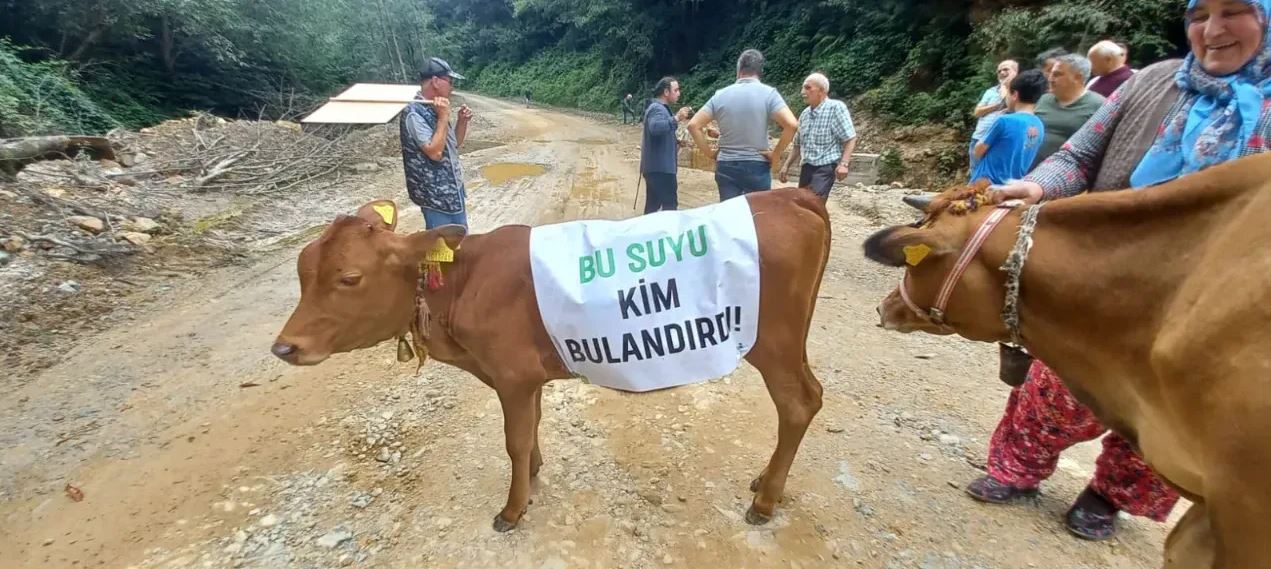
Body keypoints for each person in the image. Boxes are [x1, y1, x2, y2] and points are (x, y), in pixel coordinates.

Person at [981, 0, 1271, 541]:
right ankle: (1015, 469)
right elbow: (1079, 156)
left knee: (1171, 410)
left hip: (1215, 302)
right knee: (1058, 384)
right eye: (1199, 14)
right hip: (1109, 278)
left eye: (1234, 11)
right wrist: (1038, 186)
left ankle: (1109, 496)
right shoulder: (1155, 82)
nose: (1212, 30)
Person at [687, 49, 799, 201]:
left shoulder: (721, 95)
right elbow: (791, 124)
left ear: (738, 70)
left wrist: (710, 154)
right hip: (756, 165)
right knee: (757, 217)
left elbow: (693, 125)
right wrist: (775, 155)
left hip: (726, 165)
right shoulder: (769, 94)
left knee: (730, 217)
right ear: (760, 71)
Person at [400, 57, 472, 229]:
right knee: (443, 251)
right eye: (450, 81)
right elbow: (435, 153)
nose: (452, 87)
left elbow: (453, 145)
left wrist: (462, 122)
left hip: (452, 189)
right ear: (435, 81)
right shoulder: (414, 113)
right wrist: (443, 116)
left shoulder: (434, 107)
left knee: (460, 243)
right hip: (435, 197)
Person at [779, 72, 858, 200]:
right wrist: (786, 166)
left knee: (813, 202)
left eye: (807, 87)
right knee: (803, 205)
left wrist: (844, 164)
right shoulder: (805, 115)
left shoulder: (835, 108)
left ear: (821, 91)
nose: (802, 92)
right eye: (803, 88)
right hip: (807, 167)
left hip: (825, 167)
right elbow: (797, 145)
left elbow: (850, 138)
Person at [968, 69, 1047, 185]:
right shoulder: (1039, 124)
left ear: (1015, 95)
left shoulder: (1004, 120)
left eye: (1007, 94)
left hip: (986, 186)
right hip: (1012, 188)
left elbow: (978, 151)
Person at [1031, 54, 1105, 169]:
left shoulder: (1099, 105)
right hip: (1027, 169)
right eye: (1050, 73)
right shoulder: (1043, 99)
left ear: (1078, 78)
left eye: (1057, 74)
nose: (1050, 78)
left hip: (1064, 174)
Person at [640, 77, 692, 213]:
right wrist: (676, 118)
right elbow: (655, 128)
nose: (679, 93)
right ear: (666, 92)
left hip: (657, 167)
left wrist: (677, 142)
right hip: (661, 169)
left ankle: (648, 233)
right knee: (670, 207)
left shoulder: (660, 109)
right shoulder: (657, 109)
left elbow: (661, 133)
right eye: (676, 90)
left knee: (652, 207)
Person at [970, 60, 1019, 167]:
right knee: (975, 175)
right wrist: (997, 106)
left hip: (1000, 141)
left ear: (1015, 71)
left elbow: (1011, 108)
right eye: (999, 71)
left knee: (994, 178)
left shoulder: (1019, 90)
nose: (1001, 73)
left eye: (1006, 69)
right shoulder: (990, 91)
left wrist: (1007, 86)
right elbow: (977, 112)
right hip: (979, 138)